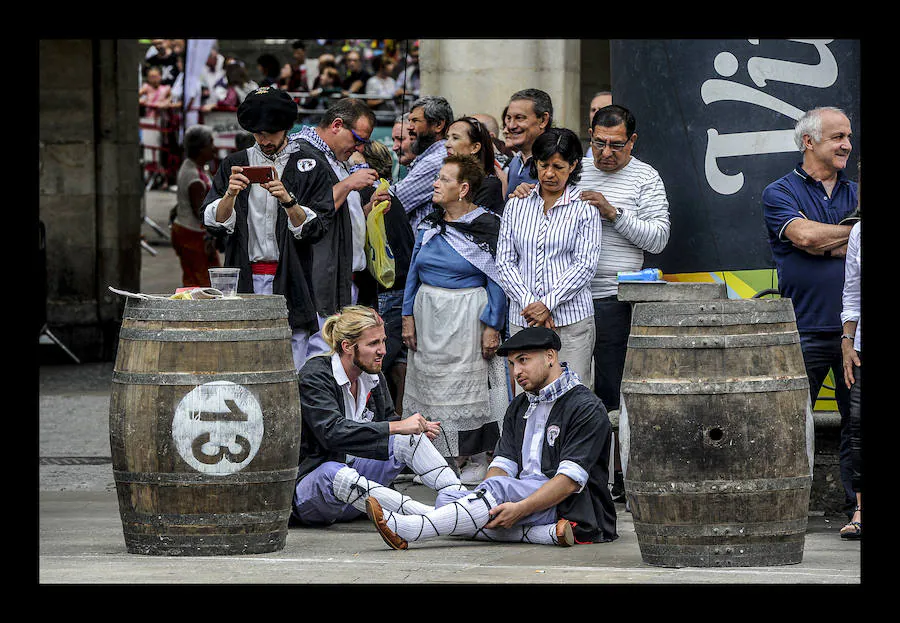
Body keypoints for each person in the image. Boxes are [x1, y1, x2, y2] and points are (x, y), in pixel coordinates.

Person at [365, 326, 619, 549]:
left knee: (492, 493)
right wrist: (494, 506)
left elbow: (569, 482)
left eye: (523, 360)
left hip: (569, 505)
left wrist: (519, 509)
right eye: (512, 364)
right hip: (522, 498)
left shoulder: (585, 406)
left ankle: (413, 528)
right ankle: (542, 535)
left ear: (550, 356)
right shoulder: (520, 404)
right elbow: (501, 465)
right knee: (449, 498)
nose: (517, 371)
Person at [762, 106, 858, 518]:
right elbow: (803, 237)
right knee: (790, 426)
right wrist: (854, 234)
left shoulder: (856, 192)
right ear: (808, 142)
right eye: (838, 137)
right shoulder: (779, 192)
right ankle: (784, 508)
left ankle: (856, 507)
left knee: (858, 425)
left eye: (848, 137)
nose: (847, 145)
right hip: (805, 329)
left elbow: (820, 240)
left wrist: (830, 240)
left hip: (855, 331)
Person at [291, 305, 467, 527]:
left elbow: (390, 425)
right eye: (373, 343)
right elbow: (332, 433)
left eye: (383, 341)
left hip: (357, 488)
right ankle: (433, 518)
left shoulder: (372, 375)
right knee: (333, 471)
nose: (383, 350)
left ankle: (462, 502)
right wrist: (397, 427)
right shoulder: (315, 375)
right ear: (347, 346)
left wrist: (415, 428)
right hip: (317, 491)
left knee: (408, 438)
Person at [201, 86, 336, 370]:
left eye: (271, 133)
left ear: (286, 128)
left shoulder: (309, 165)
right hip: (245, 275)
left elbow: (318, 227)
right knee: (243, 354)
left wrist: (288, 201)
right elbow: (213, 223)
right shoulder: (234, 164)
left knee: (291, 355)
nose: (264, 140)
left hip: (292, 275)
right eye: (258, 133)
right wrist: (230, 195)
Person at [401, 154, 508, 484]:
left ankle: (476, 459)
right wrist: (407, 315)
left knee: (468, 389)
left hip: (466, 316)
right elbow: (413, 272)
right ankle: (438, 462)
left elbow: (498, 278)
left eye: (445, 179)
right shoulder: (430, 224)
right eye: (438, 177)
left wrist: (492, 325)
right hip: (428, 315)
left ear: (463, 188)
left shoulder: (487, 226)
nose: (436, 183)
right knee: (432, 389)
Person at [496, 127, 601, 391]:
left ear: (573, 165)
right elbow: (505, 262)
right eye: (544, 165)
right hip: (524, 319)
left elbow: (585, 264)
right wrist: (531, 304)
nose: (550, 174)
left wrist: (548, 303)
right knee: (528, 392)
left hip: (571, 320)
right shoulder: (517, 204)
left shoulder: (584, 207)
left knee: (573, 393)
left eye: (558, 166)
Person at [291, 97, 387, 360]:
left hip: (345, 276)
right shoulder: (303, 155)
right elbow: (306, 216)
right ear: (336, 125)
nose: (358, 148)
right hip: (318, 278)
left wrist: (369, 210)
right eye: (357, 139)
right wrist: (348, 184)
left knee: (335, 354)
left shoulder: (334, 157)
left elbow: (341, 216)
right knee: (318, 353)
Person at [357, 140, 415, 415]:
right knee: (395, 361)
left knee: (378, 359)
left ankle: (385, 419)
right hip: (397, 287)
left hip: (387, 289)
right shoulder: (385, 193)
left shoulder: (373, 194)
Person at [390, 95, 454, 231]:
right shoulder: (432, 156)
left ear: (438, 125)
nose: (410, 128)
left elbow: (393, 202)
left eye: (415, 121)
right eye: (409, 121)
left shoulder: (435, 161)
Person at [839, 169, 862, 539]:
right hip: (861, 348)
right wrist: (847, 340)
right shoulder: (859, 232)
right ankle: (861, 509)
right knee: (858, 428)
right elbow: (852, 293)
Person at [171, 125, 221, 287]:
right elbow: (200, 213)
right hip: (193, 234)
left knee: (197, 278)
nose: (214, 149)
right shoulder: (194, 178)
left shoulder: (191, 166)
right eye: (211, 144)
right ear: (201, 148)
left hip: (188, 230)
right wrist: (211, 235)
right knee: (202, 282)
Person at [445, 116, 505, 215]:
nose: (447, 144)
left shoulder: (488, 186)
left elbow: (465, 222)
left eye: (455, 138)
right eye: (447, 138)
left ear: (475, 147)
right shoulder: (449, 178)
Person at [504, 89, 553, 193]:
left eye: (519, 118)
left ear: (543, 120)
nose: (511, 126)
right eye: (508, 118)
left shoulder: (557, 162)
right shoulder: (514, 162)